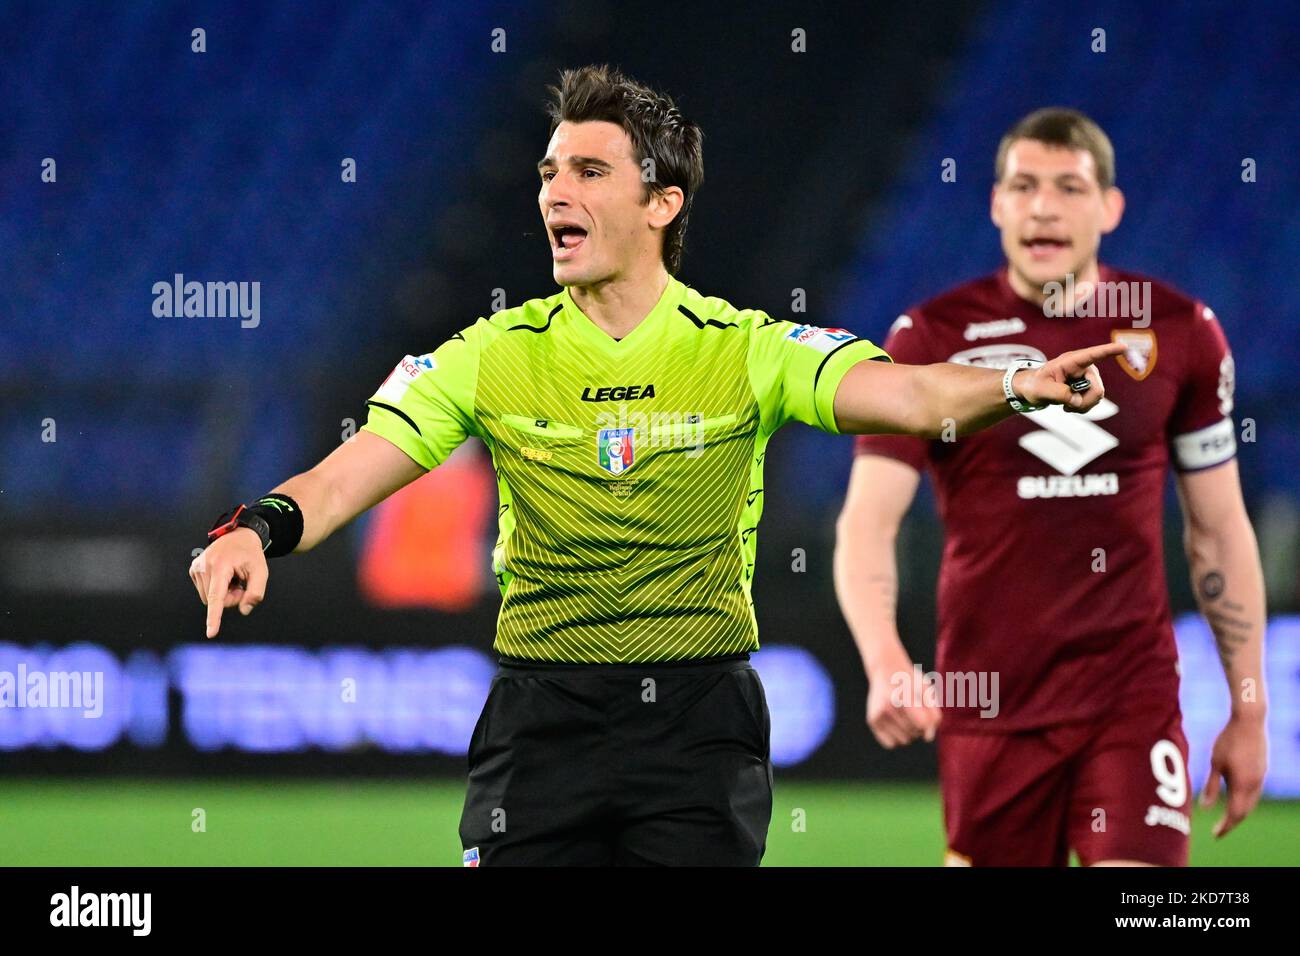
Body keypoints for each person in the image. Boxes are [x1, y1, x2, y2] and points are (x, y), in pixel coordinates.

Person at [190, 70, 1121, 866]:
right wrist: (259, 529)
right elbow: (348, 475)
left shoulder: (746, 348)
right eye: (549, 171)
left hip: (698, 723)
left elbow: (914, 399)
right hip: (539, 717)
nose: (556, 192)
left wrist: (1020, 384)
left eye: (590, 171)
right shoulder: (489, 353)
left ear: (661, 203)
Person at [834, 107, 1268, 866]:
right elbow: (867, 524)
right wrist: (885, 662)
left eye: (1069, 187)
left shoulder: (1181, 331)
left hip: (1129, 701)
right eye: (1023, 186)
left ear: (1109, 207)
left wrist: (1250, 707)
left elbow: (1219, 529)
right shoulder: (928, 340)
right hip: (989, 708)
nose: (1043, 206)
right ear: (997, 205)